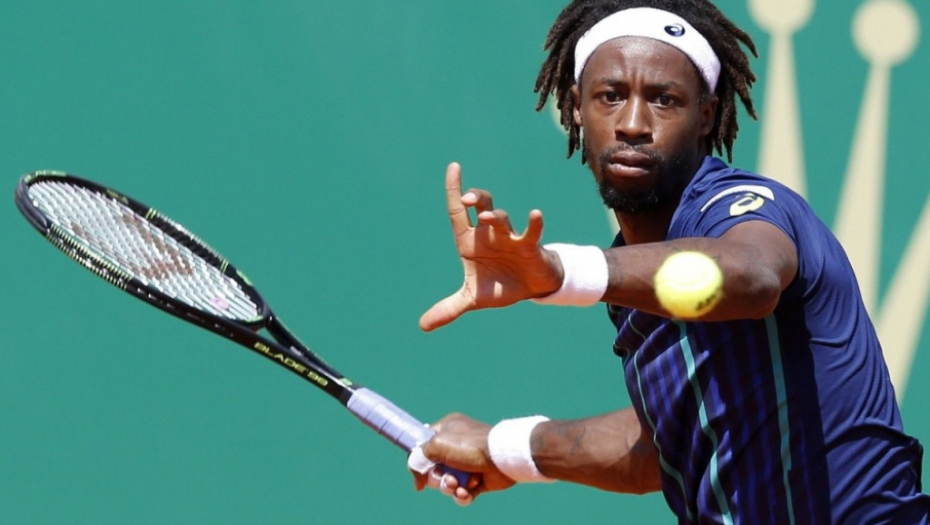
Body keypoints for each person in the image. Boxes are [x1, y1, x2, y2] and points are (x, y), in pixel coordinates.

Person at [406, 0, 930, 523]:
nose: (633, 123)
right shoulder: (631, 278)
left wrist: (562, 272)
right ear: (576, 108)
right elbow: (658, 448)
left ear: (705, 114)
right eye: (611, 96)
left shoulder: (742, 207)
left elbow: (751, 275)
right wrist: (503, 448)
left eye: (664, 99)